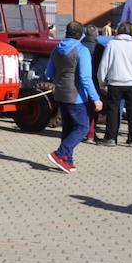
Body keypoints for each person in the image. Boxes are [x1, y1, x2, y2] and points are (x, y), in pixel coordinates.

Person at [44, 21, 103, 173]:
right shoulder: (82, 50)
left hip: (60, 92)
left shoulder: (56, 48)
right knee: (83, 128)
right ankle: (60, 154)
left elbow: (49, 73)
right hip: (76, 95)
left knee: (68, 128)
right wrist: (95, 98)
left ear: (66, 32)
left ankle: (67, 160)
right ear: (81, 35)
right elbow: (85, 77)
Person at [97, 22, 132, 146]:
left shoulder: (111, 44)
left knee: (113, 111)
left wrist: (102, 81)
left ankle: (110, 138)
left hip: (115, 82)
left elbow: (104, 65)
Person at [80, 25, 103, 142]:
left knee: (81, 107)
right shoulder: (100, 48)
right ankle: (91, 134)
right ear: (96, 35)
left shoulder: (79, 46)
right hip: (95, 80)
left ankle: (81, 132)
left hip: (79, 81)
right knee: (94, 108)